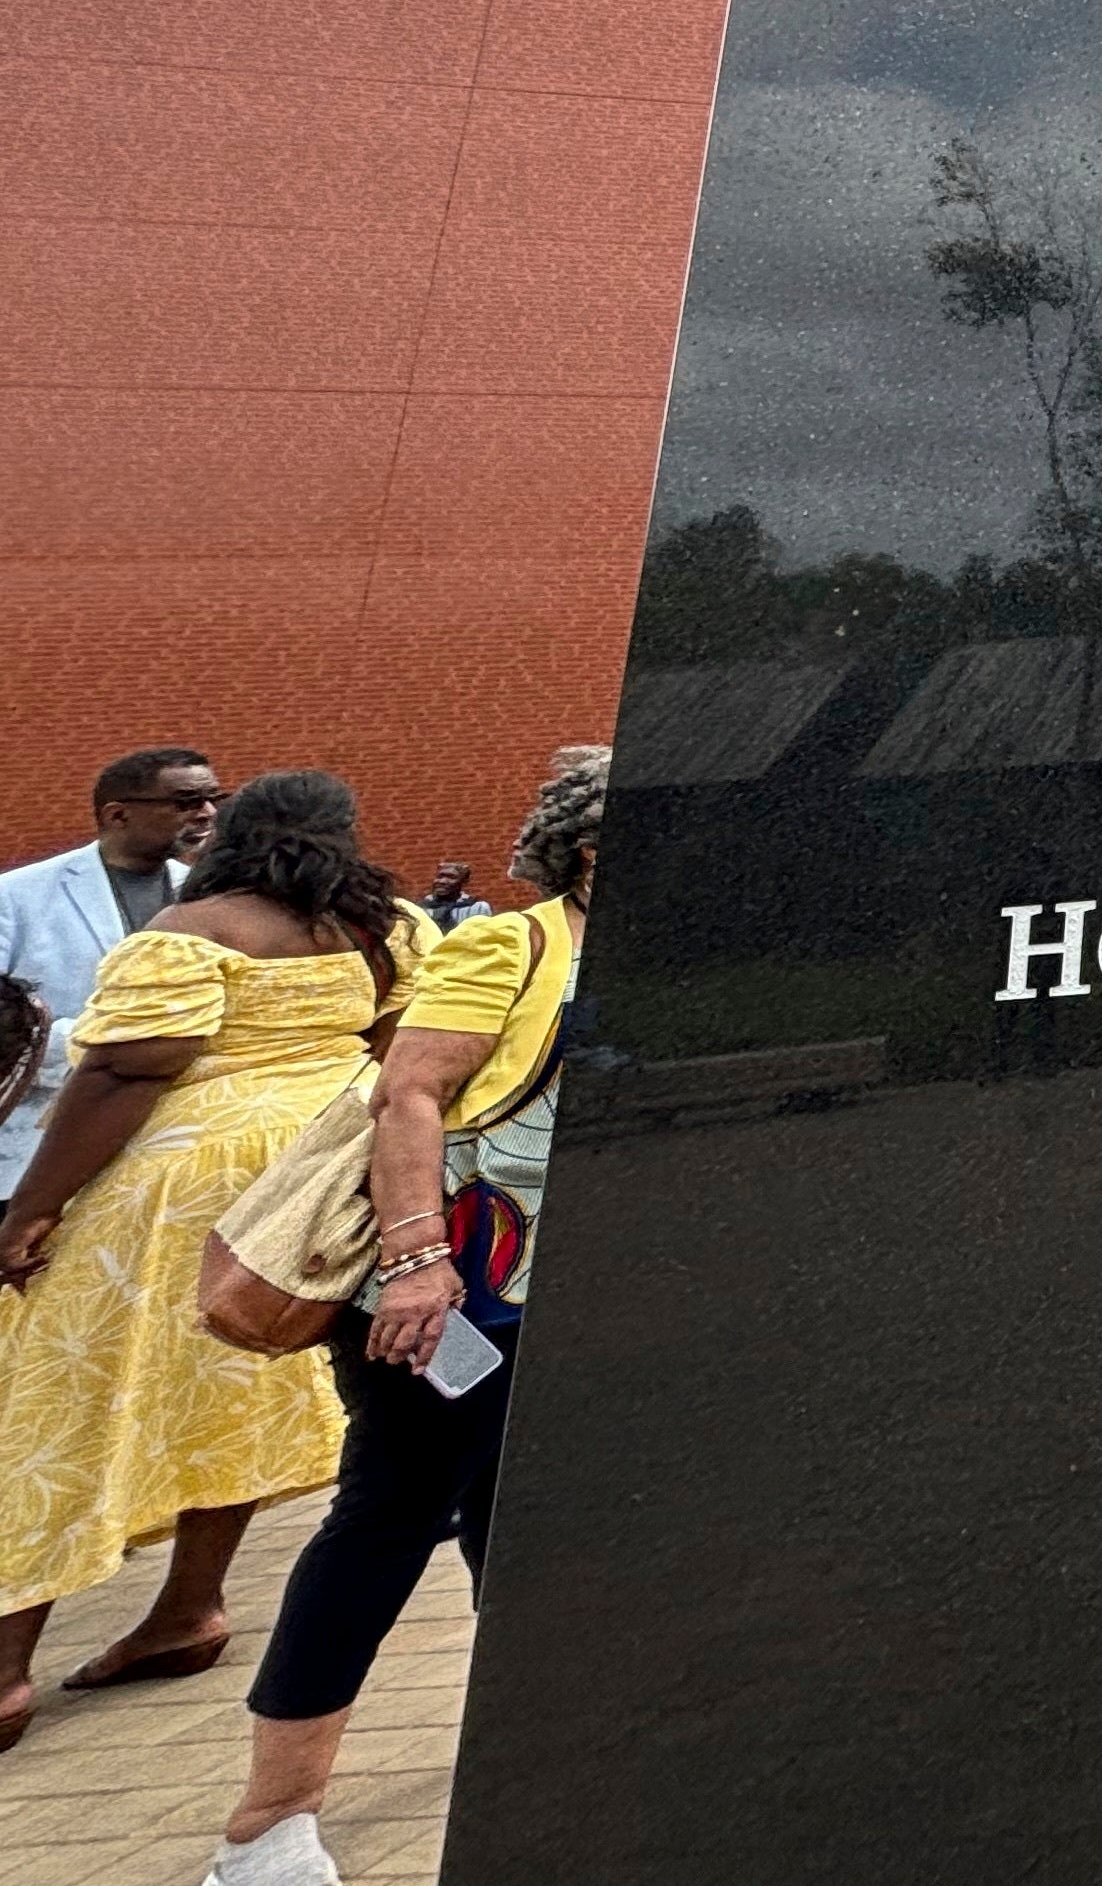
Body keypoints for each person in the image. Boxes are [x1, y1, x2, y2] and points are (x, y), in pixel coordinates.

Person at [205, 752, 603, 1886]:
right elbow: (410, 1093)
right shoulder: (511, 945)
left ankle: (532, 1739)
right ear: (590, 850)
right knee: (388, 1520)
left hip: (556, 1297)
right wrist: (420, 1262)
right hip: (448, 1296)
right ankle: (263, 1832)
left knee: (516, 1518)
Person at [0, 771, 427, 1754]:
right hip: (321, 1173)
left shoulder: (191, 935)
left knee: (56, 1400)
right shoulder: (388, 925)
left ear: (233, 834)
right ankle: (189, 1609)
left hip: (185, 1182)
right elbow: (394, 1044)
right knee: (232, 1383)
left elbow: (121, 1072)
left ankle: (6, 1670)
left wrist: (31, 1208)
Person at [0, 746, 225, 1194]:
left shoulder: (209, 896)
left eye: (213, 797)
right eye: (187, 801)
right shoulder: (16, 896)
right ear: (118, 815)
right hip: (38, 1141)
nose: (207, 813)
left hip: (168, 1144)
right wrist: (108, 1044)